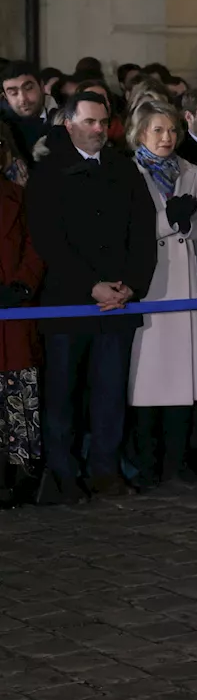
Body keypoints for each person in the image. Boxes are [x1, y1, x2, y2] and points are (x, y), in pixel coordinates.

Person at [26, 93, 158, 501]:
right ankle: (64, 472)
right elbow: (48, 239)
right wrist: (91, 285)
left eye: (103, 122)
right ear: (69, 124)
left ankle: (106, 469)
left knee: (110, 392)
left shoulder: (124, 169)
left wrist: (132, 285)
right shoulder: (48, 173)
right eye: (89, 122)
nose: (98, 129)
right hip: (68, 301)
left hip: (118, 302)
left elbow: (143, 233)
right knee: (62, 393)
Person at [124, 99, 197, 487]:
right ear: (141, 133)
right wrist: (167, 219)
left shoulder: (191, 170)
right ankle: (147, 464)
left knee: (182, 374)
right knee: (148, 377)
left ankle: (179, 461)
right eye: (157, 130)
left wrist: (188, 224)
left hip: (186, 279)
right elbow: (128, 228)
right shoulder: (129, 172)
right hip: (150, 283)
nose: (167, 137)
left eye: (172, 130)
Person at [0, 146, 44, 509]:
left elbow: (35, 246)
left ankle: (22, 471)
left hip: (15, 311)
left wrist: (22, 285)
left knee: (19, 392)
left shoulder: (20, 198)